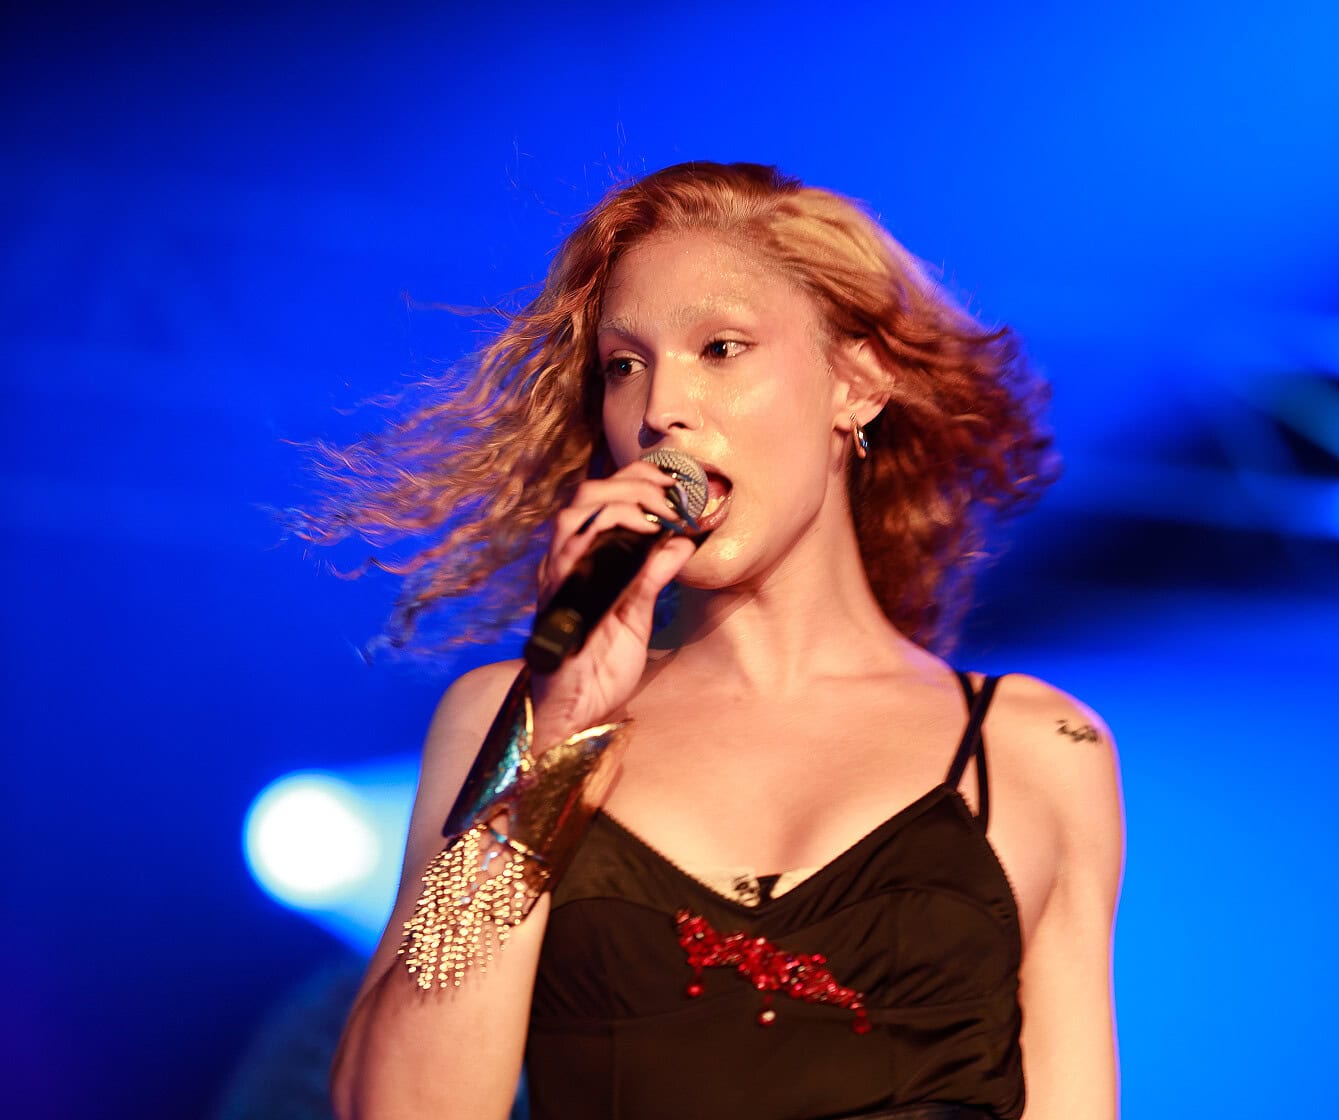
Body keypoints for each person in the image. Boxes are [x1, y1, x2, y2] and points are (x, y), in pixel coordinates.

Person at [313, 161, 1125, 1120]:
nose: (662, 409)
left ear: (857, 381)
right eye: (625, 365)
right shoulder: (512, 723)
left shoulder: (1035, 748)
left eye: (721, 348)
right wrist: (551, 749)